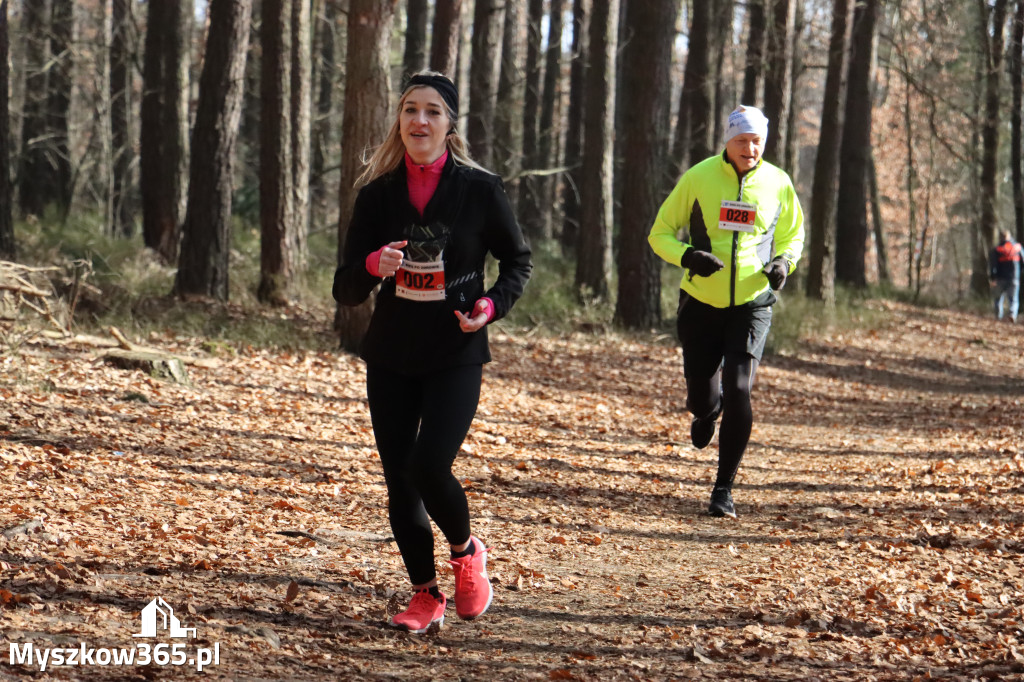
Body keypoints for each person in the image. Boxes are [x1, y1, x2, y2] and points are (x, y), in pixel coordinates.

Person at [333, 71, 532, 633]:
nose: (419, 120)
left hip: (455, 349)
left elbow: (517, 261)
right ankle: (425, 594)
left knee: (428, 465)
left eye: (432, 111)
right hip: (391, 354)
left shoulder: (480, 189)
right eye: (410, 110)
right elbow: (346, 288)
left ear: (450, 125)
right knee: (400, 478)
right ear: (399, 120)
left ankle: (467, 554)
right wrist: (372, 265)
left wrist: (489, 307)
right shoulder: (377, 195)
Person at [648, 105, 804, 519]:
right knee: (702, 400)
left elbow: (794, 234)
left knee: (739, 389)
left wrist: (783, 263)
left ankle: (723, 489)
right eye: (742, 141)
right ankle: (707, 412)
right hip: (701, 302)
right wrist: (688, 256)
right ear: (728, 141)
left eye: (756, 141)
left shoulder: (778, 182)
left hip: (752, 304)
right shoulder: (698, 177)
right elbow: (659, 233)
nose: (750, 149)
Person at [989, 229, 1021, 323]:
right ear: (1009, 236)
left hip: (1000, 278)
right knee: (1013, 299)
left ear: (1000, 238)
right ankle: (1012, 315)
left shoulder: (997, 249)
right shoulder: (1017, 248)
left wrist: (993, 278)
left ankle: (998, 317)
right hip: (1014, 278)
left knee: (998, 299)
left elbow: (993, 265)